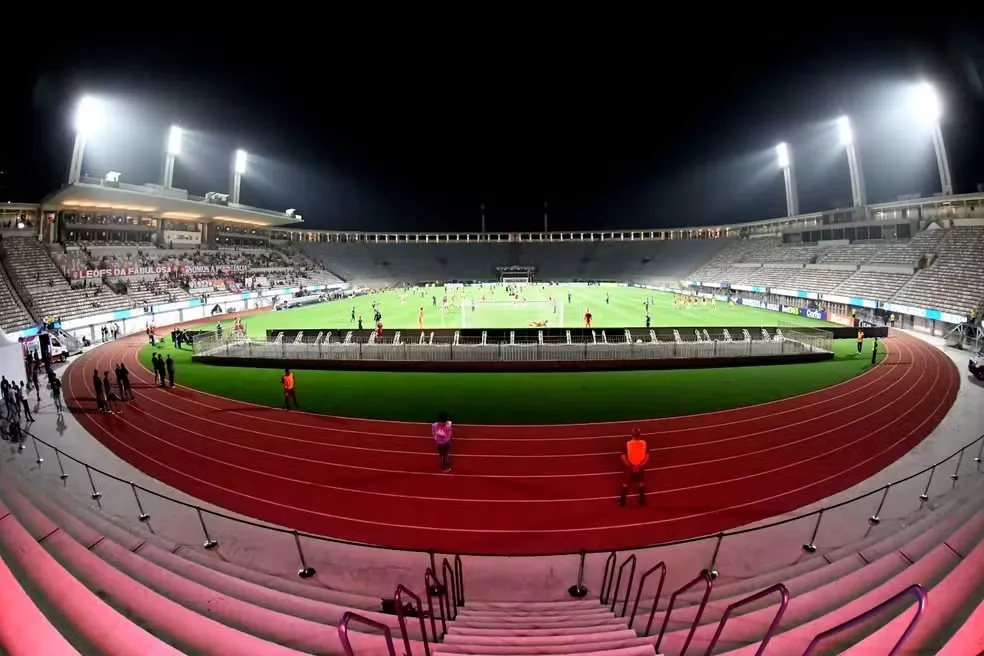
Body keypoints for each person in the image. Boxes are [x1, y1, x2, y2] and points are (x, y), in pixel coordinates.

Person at [619, 428, 649, 506]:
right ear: (640, 435)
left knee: (625, 484)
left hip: (629, 468)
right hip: (640, 468)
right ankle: (642, 501)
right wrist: (639, 466)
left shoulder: (627, 444)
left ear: (632, 435)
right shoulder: (644, 443)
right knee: (641, 483)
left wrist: (630, 466)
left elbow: (623, 457)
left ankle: (622, 502)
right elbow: (647, 457)